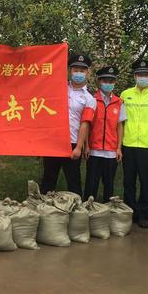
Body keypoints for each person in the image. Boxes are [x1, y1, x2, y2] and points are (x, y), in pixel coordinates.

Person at [40, 54, 96, 196]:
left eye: (82, 71)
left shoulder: (89, 99)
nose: (78, 73)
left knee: (73, 180)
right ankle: (44, 210)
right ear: (69, 71)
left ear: (88, 73)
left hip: (72, 143)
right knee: (48, 178)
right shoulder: (58, 89)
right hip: (53, 141)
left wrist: (79, 147)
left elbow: (85, 124)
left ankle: (76, 212)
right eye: (75, 70)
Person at [120, 60, 148, 228]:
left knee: (146, 182)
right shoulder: (125, 95)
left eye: (146, 75)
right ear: (135, 76)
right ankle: (130, 212)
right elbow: (121, 122)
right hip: (128, 144)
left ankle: (143, 214)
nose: (143, 77)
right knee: (128, 181)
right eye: (140, 74)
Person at [84, 66, 126, 202]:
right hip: (94, 151)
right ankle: (87, 213)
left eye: (111, 81)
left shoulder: (119, 102)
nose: (109, 84)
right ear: (99, 81)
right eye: (105, 80)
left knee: (109, 186)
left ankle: (107, 214)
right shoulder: (92, 100)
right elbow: (86, 124)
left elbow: (120, 126)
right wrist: (86, 145)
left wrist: (119, 147)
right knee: (91, 185)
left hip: (111, 151)